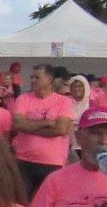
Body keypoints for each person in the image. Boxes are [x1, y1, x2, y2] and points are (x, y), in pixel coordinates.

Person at [11, 64, 75, 199]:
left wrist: (28, 127)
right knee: (21, 201)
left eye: (37, 77)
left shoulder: (64, 102)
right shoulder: (24, 99)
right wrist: (47, 123)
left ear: (50, 80)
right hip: (24, 160)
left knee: (46, 202)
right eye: (31, 77)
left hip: (52, 162)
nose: (32, 80)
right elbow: (17, 124)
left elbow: (60, 129)